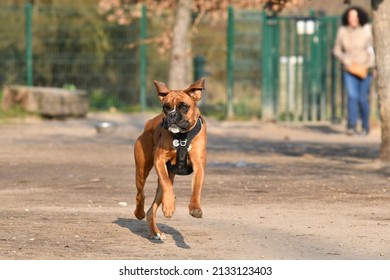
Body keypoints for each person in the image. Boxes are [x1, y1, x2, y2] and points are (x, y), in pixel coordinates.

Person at [333, 6, 375, 136]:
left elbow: (374, 49)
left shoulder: (366, 30)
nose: (353, 19)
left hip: (365, 68)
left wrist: (373, 66)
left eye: (355, 16)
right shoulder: (343, 31)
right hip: (349, 68)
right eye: (350, 16)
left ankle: (365, 126)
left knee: (363, 98)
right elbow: (336, 49)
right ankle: (351, 125)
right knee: (352, 97)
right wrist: (344, 59)